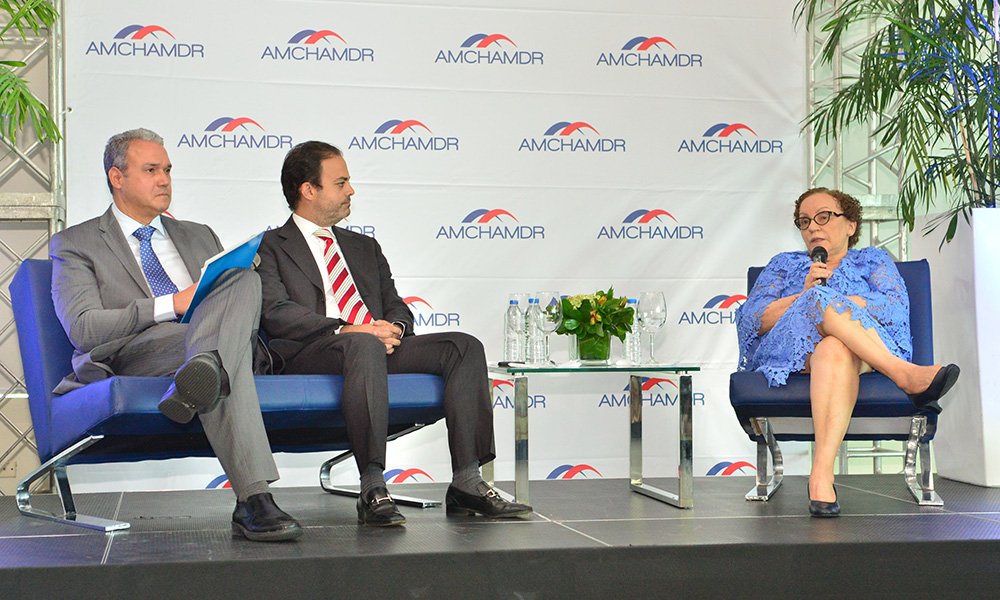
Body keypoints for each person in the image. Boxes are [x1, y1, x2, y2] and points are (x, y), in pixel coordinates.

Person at [256, 141, 532, 527]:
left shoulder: (363, 247)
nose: (351, 190)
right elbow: (277, 313)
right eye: (341, 182)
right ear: (309, 190)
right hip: (312, 351)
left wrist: (394, 329)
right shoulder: (269, 246)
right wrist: (350, 328)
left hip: (374, 346)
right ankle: (372, 487)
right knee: (362, 343)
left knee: (463, 346)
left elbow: (396, 305)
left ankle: (467, 482)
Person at [49, 128, 301, 541]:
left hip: (202, 344)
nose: (164, 179)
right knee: (222, 355)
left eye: (167, 170)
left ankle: (202, 373)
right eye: (151, 170)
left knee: (243, 278)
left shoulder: (199, 234)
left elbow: (231, 305)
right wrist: (172, 304)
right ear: (117, 177)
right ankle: (252, 497)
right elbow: (84, 328)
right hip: (136, 352)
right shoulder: (76, 243)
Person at [735, 187, 960, 518]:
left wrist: (839, 306)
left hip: (861, 350)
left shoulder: (873, 260)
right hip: (790, 350)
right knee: (818, 300)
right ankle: (903, 374)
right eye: (804, 221)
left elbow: (894, 307)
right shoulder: (783, 265)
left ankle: (820, 476)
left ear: (851, 224)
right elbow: (752, 319)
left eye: (823, 217)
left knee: (834, 346)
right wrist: (805, 297)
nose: (813, 227)